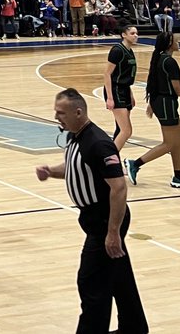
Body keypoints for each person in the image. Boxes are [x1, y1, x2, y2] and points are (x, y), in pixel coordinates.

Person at [35, 88, 148, 334]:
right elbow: (76, 167)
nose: (57, 117)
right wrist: (51, 171)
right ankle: (134, 327)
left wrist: (112, 232)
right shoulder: (76, 136)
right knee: (118, 275)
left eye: (61, 112)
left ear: (78, 112)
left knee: (91, 282)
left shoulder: (98, 143)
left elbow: (118, 188)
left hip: (105, 219)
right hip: (94, 219)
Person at [125, 31, 180, 189]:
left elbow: (154, 82)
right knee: (169, 143)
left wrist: (152, 104)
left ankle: (178, 175)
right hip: (166, 103)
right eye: (176, 40)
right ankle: (135, 164)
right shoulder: (169, 62)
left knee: (178, 139)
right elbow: (177, 88)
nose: (178, 43)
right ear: (169, 44)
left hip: (161, 101)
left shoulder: (160, 58)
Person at [103, 25, 139, 152]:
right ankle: (109, 159)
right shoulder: (117, 50)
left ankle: (111, 157)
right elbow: (107, 74)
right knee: (126, 131)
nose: (135, 35)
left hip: (124, 90)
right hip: (115, 90)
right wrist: (110, 98)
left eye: (136, 33)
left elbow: (125, 76)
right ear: (124, 35)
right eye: (132, 33)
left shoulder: (129, 51)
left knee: (120, 130)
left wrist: (131, 94)